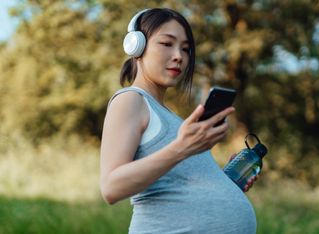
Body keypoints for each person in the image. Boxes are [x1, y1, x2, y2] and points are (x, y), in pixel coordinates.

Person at [100, 8, 258, 234]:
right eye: (167, 44)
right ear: (136, 46)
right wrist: (182, 147)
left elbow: (177, 183)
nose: (179, 56)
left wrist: (222, 185)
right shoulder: (130, 100)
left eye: (185, 49)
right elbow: (111, 187)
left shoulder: (171, 117)